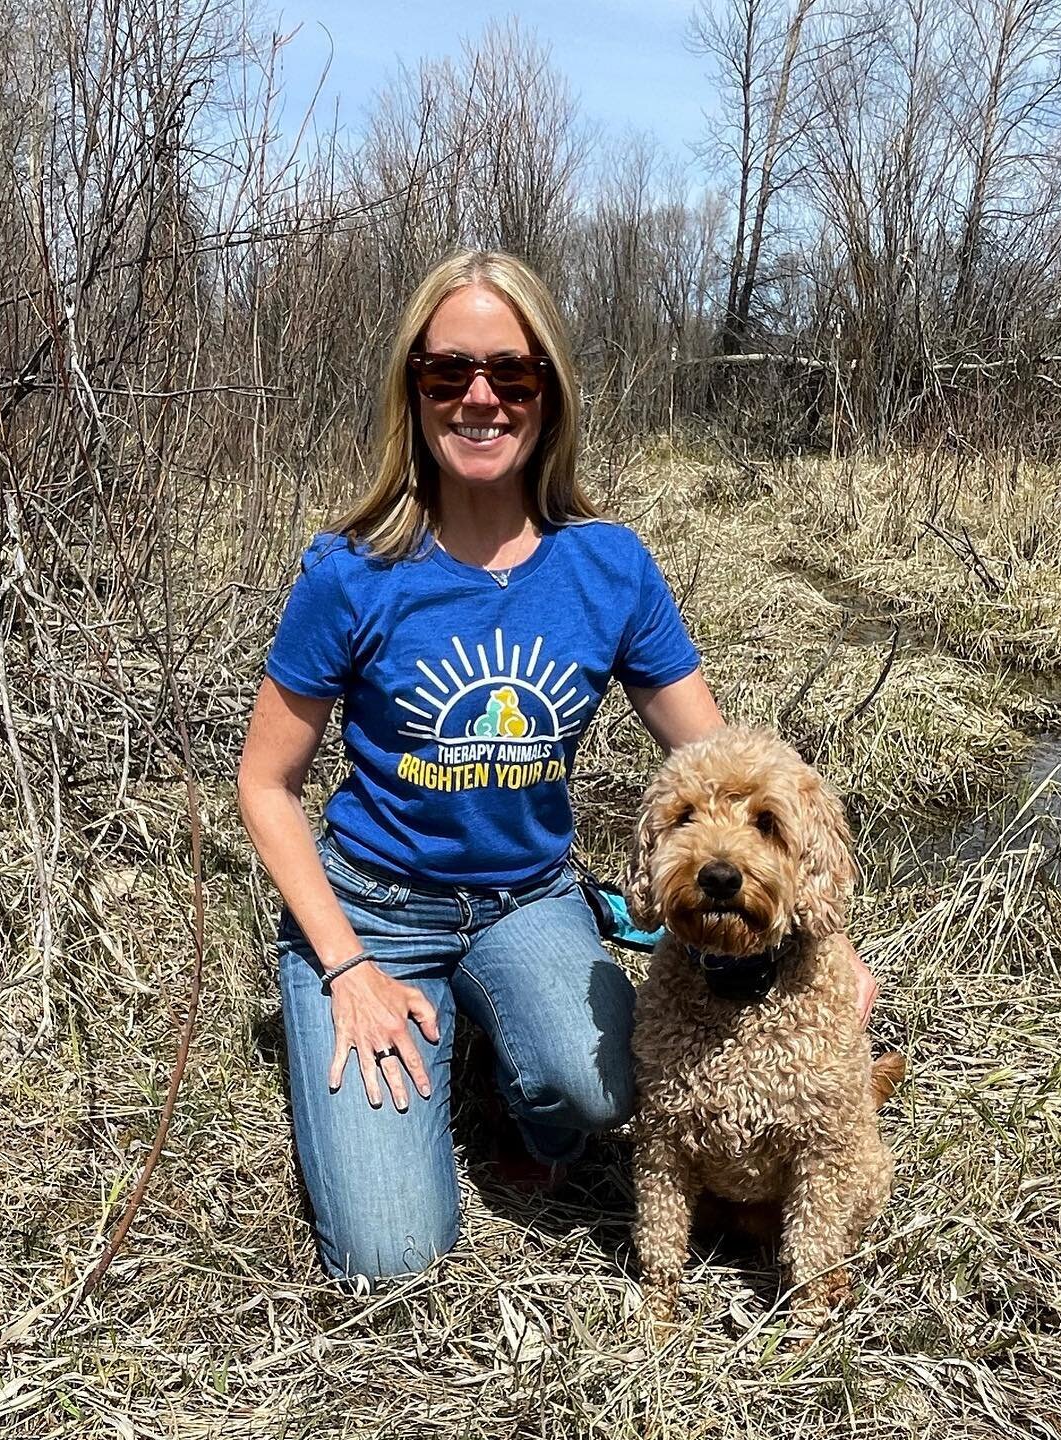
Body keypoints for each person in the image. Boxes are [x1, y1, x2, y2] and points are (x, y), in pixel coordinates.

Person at [235, 249, 878, 1286]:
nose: (480, 397)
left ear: (549, 393)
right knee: (388, 1258)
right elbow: (264, 786)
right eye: (448, 373)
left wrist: (824, 939)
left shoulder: (607, 566)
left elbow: (728, 772)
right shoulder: (349, 571)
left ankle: (505, 1093)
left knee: (598, 1091)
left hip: (526, 902)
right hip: (377, 911)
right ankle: (427, 1031)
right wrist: (348, 967)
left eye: (511, 373)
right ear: (414, 389)